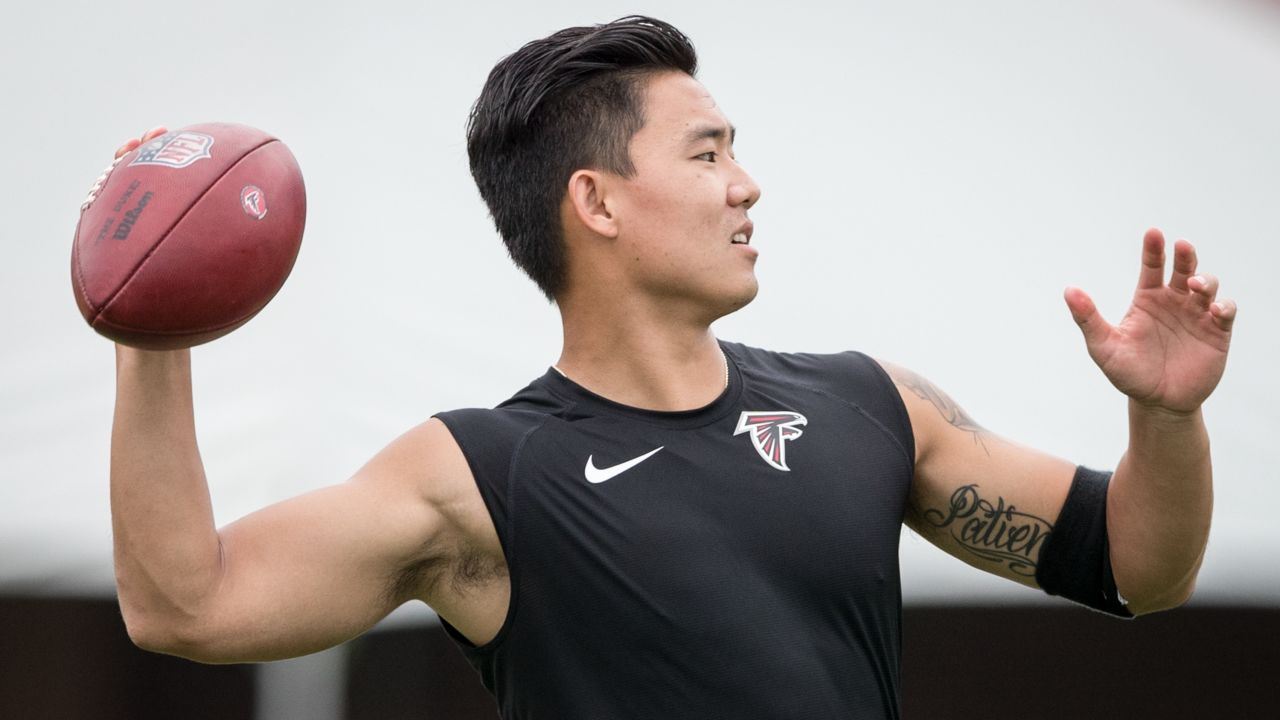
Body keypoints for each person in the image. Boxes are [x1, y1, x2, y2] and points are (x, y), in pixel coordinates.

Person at [107, 16, 1236, 720]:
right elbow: (186, 606)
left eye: (736, 151)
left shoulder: (867, 405)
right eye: (707, 153)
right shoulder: (476, 475)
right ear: (593, 200)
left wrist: (1165, 422)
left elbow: (1136, 566)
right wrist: (148, 327)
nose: (746, 185)